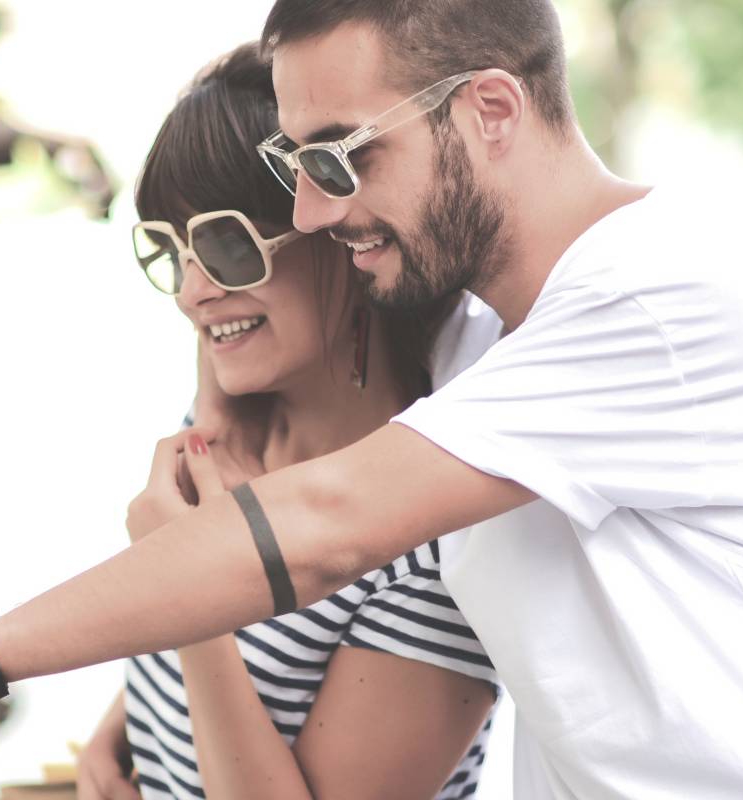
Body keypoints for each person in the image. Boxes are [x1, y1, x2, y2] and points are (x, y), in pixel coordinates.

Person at [0, 2, 743, 798]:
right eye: (296, 167)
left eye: (341, 157)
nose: (310, 210)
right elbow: (257, 332)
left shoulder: (668, 296)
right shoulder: (474, 338)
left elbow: (327, 520)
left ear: (493, 111)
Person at [75, 44, 500, 800]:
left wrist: (189, 585)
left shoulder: (438, 552)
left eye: (228, 243)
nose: (192, 293)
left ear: (342, 229)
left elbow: (214, 641)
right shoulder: (228, 437)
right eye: (172, 251)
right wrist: (127, 717)